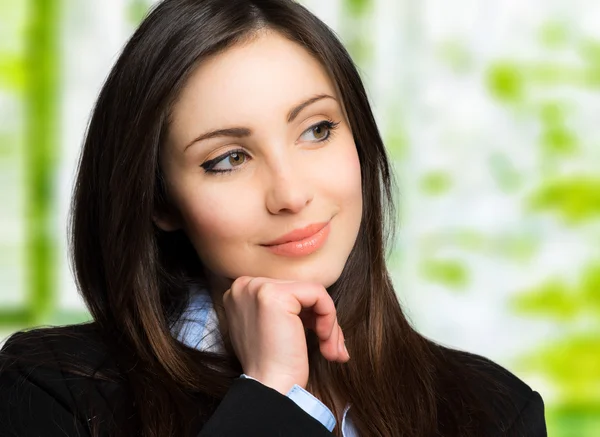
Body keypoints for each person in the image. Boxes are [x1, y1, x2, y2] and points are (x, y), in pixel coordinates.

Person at [0, 0, 547, 435]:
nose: (290, 193)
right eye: (228, 159)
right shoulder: (54, 388)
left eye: (317, 130)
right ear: (161, 201)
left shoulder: (491, 410)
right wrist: (269, 398)